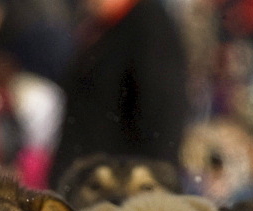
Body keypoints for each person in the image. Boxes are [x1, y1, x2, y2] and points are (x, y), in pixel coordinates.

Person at [50, 0, 189, 185]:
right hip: (87, 182)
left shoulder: (148, 24)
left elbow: (162, 112)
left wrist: (154, 183)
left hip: (121, 187)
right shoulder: (97, 27)